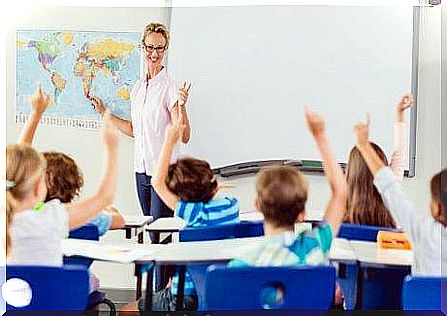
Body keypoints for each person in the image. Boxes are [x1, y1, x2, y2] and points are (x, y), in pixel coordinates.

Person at [121, 109, 240, 312]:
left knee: (126, 311)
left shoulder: (191, 213)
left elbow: (156, 182)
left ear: (182, 195)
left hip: (184, 296)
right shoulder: (231, 206)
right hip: (220, 291)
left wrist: (169, 141)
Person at [228, 108, 347, 306]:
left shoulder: (241, 266)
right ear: (302, 214)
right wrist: (320, 136)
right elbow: (341, 193)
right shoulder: (315, 246)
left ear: (257, 206)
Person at [90, 22, 191, 245]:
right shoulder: (137, 88)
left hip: (163, 173)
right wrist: (105, 114)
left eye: (160, 48)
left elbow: (183, 135)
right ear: (142, 48)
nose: (154, 54)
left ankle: (160, 281)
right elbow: (136, 130)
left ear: (166, 50)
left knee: (158, 234)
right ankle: (155, 280)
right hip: (141, 171)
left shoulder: (170, 88)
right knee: (147, 230)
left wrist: (182, 106)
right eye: (150, 47)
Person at [6, 109, 119, 266]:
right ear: (40, 187)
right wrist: (111, 147)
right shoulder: (50, 218)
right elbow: (105, 197)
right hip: (51, 291)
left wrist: (35, 114)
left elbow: (17, 166)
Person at [19, 84, 125, 236]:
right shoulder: (78, 216)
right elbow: (117, 218)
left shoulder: (24, 212)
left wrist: (36, 114)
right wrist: (112, 147)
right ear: (75, 183)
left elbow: (19, 161)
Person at [353, 117, 447, 275]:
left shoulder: (422, 232)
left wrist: (363, 146)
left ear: (437, 208)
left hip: (421, 300)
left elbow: (390, 187)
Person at [344, 93, 413, 227]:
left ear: (350, 174)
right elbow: (400, 153)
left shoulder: (341, 212)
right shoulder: (392, 204)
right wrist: (400, 114)